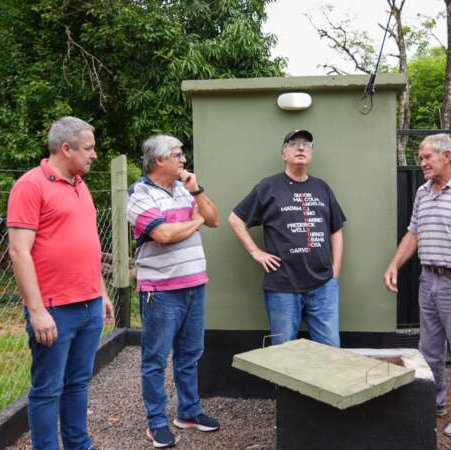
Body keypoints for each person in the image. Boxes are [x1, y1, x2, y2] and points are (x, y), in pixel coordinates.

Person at [8, 116, 114, 450]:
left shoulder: (80, 185)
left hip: (89, 304)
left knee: (78, 383)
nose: (94, 154)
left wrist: (101, 290)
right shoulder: (31, 185)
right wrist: (37, 311)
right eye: (89, 148)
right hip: (54, 309)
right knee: (47, 389)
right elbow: (18, 251)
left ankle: (78, 444)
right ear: (65, 148)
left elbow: (89, 242)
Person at [382, 133, 451, 438]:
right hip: (427, 280)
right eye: (420, 158)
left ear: (446, 156)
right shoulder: (423, 192)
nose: (422, 163)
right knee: (429, 349)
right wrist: (394, 264)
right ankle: (433, 403)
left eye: (426, 157)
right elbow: (413, 234)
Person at [127, 134, 220, 448]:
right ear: (159, 161)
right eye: (177, 155)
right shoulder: (139, 193)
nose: (183, 160)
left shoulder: (185, 188)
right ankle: (156, 423)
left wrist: (197, 191)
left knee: (190, 354)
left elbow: (215, 219)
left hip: (195, 284)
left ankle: (189, 412)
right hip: (161, 290)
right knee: (155, 358)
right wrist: (195, 222)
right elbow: (164, 234)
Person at [228, 129, 346, 347]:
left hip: (323, 286)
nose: (301, 148)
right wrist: (256, 252)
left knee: (331, 351)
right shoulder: (268, 187)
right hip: (282, 285)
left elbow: (336, 230)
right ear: (283, 154)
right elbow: (235, 219)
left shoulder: (322, 188)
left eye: (307, 144)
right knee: (282, 354)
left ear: (311, 154)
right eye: (294, 144)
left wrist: (335, 273)